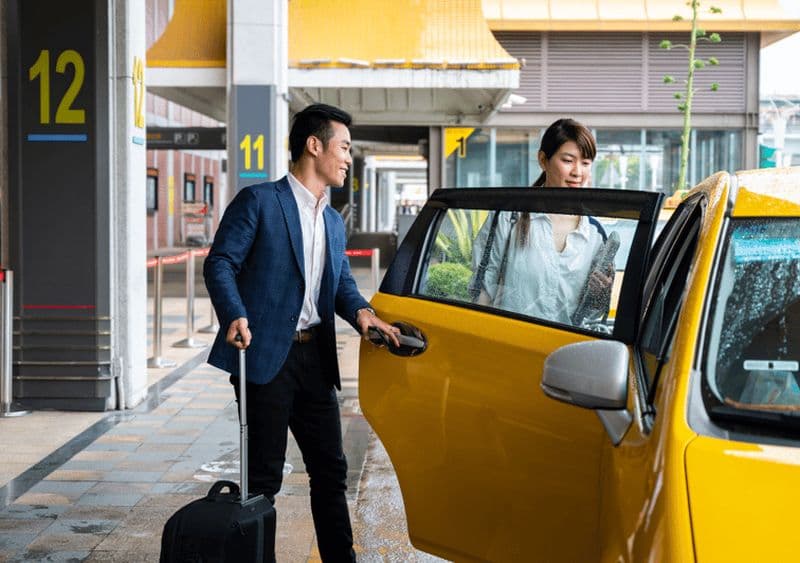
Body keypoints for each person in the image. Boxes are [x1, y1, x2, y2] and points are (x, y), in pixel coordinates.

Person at [204, 103, 400, 562]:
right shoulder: (260, 201)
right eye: (344, 146)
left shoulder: (331, 220)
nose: (349, 157)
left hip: (315, 360)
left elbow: (341, 285)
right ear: (315, 145)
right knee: (263, 480)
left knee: (331, 471)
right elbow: (221, 262)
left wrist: (363, 314)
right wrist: (233, 313)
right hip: (265, 356)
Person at [470, 118, 615, 327]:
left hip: (567, 353)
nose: (577, 172)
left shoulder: (595, 235)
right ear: (543, 160)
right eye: (568, 160)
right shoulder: (508, 219)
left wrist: (598, 294)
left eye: (585, 163)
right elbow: (481, 294)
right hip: (510, 346)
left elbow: (588, 318)